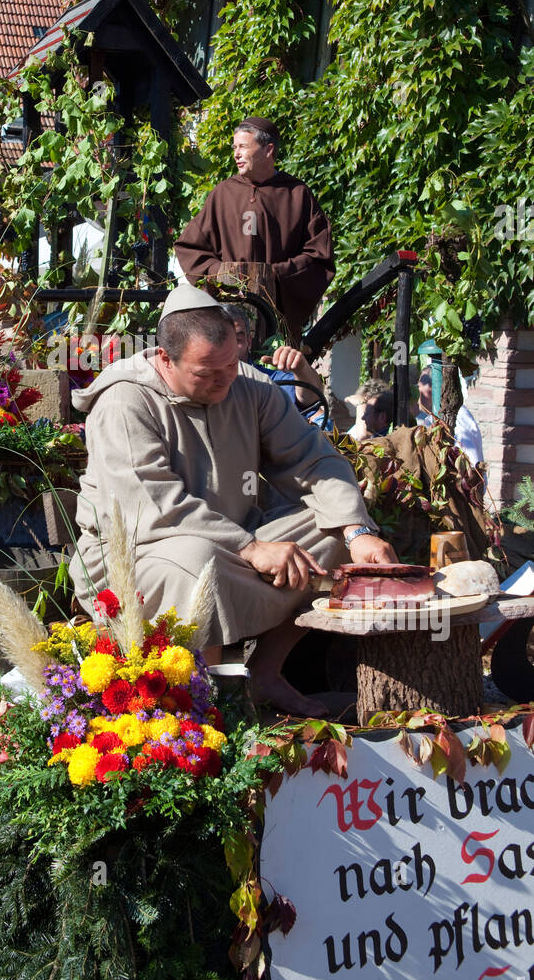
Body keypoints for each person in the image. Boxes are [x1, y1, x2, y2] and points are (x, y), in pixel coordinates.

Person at [69, 282, 397, 717]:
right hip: (136, 553)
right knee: (197, 557)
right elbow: (155, 505)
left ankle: (263, 674)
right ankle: (202, 706)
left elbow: (314, 460)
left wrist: (358, 531)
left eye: (230, 364)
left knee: (329, 529)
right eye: (207, 372)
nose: (225, 379)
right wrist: (249, 547)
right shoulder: (125, 401)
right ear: (165, 359)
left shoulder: (248, 386)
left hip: (231, 541)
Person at [174, 117, 334, 338]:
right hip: (228, 321)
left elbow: (318, 256)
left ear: (268, 150)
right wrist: (220, 273)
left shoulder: (297, 194)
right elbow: (190, 247)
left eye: (243, 147)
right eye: (235, 147)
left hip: (278, 321)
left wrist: (274, 275)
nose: (236, 154)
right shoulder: (223, 193)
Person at [220, 302, 325, 417]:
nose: (229, 347)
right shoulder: (202, 383)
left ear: (249, 342)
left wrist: (301, 368)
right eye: (221, 340)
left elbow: (312, 398)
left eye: (237, 339)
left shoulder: (271, 381)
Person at [416, 365, 484, 466]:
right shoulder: (432, 418)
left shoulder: (458, 417)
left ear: (434, 388)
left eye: (419, 386)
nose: (417, 390)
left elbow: (471, 462)